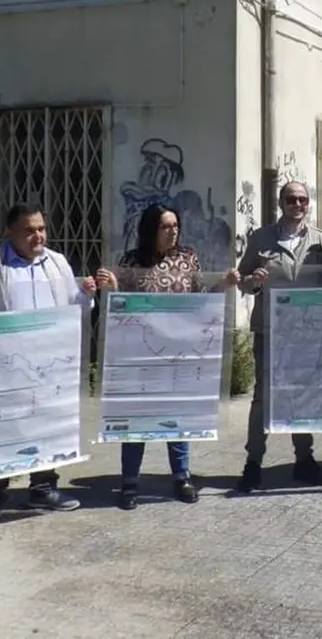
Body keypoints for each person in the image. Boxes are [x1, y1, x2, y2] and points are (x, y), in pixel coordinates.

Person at [96, 203, 239, 510]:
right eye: (165, 226)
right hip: (142, 353)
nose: (173, 232)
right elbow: (121, 304)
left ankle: (181, 476)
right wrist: (112, 286)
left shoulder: (187, 258)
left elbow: (202, 300)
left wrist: (224, 284)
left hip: (178, 352)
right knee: (136, 417)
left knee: (178, 415)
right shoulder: (132, 261)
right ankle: (129, 482)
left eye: (175, 226)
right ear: (151, 230)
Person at [0, 203, 96, 533]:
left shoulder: (58, 264)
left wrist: (87, 295)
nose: (38, 235)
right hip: (4, 373)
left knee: (47, 428)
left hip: (47, 371)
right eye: (29, 230)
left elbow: (75, 308)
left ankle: (43, 489)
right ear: (9, 232)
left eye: (41, 228)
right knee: (1, 432)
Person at [235, 181, 322, 492]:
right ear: (280, 203)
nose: (297, 205)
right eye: (291, 199)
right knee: (263, 396)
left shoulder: (320, 241)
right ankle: (253, 463)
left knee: (302, 394)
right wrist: (254, 280)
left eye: (303, 199)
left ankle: (304, 459)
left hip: (306, 331)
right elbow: (243, 281)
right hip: (270, 329)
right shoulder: (261, 238)